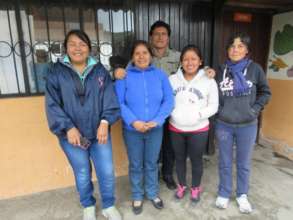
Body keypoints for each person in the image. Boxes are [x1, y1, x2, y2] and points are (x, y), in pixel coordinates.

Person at [114, 20, 216, 190]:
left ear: (168, 37)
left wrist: (207, 70)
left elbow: (191, 65)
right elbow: (124, 75)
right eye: (156, 34)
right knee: (146, 155)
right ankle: (144, 186)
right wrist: (116, 69)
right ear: (151, 37)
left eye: (164, 34)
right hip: (147, 113)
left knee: (169, 147)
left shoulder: (177, 56)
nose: (160, 37)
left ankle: (167, 175)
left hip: (172, 111)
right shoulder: (143, 55)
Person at [45, 30, 122, 220]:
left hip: (99, 133)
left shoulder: (100, 71)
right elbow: (52, 104)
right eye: (72, 44)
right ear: (66, 48)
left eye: (82, 44)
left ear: (89, 48)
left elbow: (110, 100)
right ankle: (88, 205)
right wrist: (68, 128)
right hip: (71, 136)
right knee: (82, 172)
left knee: (106, 171)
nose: (77, 48)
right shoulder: (56, 72)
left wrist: (105, 122)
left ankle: (108, 205)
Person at [214, 32, 271, 213]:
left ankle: (242, 195)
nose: (235, 49)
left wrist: (254, 109)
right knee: (224, 161)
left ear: (246, 50)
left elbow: (265, 92)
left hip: (248, 125)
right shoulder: (220, 70)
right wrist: (219, 111)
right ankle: (224, 192)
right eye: (232, 46)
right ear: (227, 50)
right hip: (224, 124)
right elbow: (211, 92)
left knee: (244, 162)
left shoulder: (255, 69)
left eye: (240, 46)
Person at [115, 40, 174, 215]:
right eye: (137, 53)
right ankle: (137, 195)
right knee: (135, 164)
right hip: (133, 130)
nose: (141, 56)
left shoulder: (160, 75)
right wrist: (134, 122)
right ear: (132, 57)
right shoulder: (123, 76)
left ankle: (152, 193)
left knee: (152, 163)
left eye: (145, 53)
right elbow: (119, 102)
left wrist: (158, 120)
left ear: (151, 55)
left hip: (155, 128)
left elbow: (169, 100)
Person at [169, 45, 218, 202]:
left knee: (197, 160)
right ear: (181, 61)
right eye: (186, 59)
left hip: (199, 129)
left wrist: (198, 115)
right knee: (179, 159)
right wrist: (175, 114)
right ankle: (182, 185)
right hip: (176, 128)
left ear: (200, 61)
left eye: (193, 59)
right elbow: (166, 101)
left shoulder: (209, 80)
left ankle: (196, 187)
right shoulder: (172, 79)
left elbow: (214, 105)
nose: (189, 62)